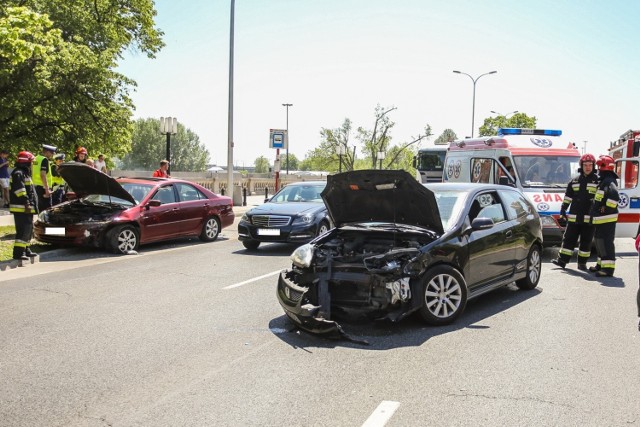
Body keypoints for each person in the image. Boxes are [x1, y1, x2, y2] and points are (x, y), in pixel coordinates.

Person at [551, 153, 598, 271]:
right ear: (581, 166)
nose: (588, 167)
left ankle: (582, 264)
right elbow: (568, 197)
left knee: (586, 242)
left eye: (590, 165)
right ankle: (562, 261)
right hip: (574, 218)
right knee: (568, 239)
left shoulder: (598, 181)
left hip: (589, 219)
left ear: (593, 166)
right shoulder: (574, 181)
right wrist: (563, 210)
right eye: (585, 165)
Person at [588, 155, 620, 277]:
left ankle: (608, 269)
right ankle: (600, 265)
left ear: (604, 168)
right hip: (601, 220)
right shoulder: (605, 181)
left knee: (606, 243)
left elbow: (615, 196)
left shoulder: (609, 181)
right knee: (599, 241)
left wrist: (606, 208)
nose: (598, 170)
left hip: (607, 219)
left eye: (599, 167)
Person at [9, 151, 38, 261]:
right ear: (26, 162)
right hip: (21, 208)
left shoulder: (24, 173)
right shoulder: (18, 173)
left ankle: (26, 249)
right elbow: (20, 190)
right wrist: (26, 202)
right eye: (31, 162)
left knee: (28, 230)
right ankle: (18, 253)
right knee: (22, 230)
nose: (31, 165)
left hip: (26, 208)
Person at [31, 144, 56, 212]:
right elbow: (43, 175)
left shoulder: (35, 158)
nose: (53, 154)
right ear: (47, 152)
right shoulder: (44, 160)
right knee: (47, 210)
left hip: (35, 186)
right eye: (52, 152)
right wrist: (47, 190)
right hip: (43, 188)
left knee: (40, 209)